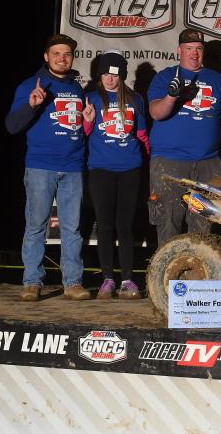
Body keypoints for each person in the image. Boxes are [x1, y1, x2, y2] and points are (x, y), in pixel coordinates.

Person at [5, 34, 89, 301]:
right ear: (46, 56)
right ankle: (32, 282)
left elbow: (78, 128)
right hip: (41, 167)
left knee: (72, 229)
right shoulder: (31, 85)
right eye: (57, 54)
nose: (62, 58)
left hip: (73, 168)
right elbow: (12, 125)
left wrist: (88, 122)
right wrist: (31, 105)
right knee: (36, 226)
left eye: (67, 54)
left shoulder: (78, 89)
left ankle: (73, 283)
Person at [147, 29, 221, 245]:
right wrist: (172, 96)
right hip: (170, 163)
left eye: (199, 49)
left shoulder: (217, 81)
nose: (194, 53)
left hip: (207, 164)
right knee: (168, 221)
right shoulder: (165, 76)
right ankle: (167, 276)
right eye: (189, 48)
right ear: (179, 50)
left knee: (203, 226)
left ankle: (197, 276)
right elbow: (156, 113)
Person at [82, 51, 148, 299]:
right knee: (106, 225)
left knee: (125, 225)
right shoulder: (91, 98)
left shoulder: (135, 99)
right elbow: (83, 135)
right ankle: (108, 279)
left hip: (130, 168)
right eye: (106, 74)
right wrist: (87, 121)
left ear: (121, 75)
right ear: (100, 75)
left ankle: (128, 280)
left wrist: (148, 165)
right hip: (101, 169)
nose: (110, 79)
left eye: (115, 74)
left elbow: (141, 136)